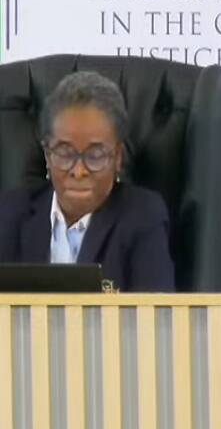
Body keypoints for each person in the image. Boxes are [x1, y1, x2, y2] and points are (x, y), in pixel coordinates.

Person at [0, 71, 175, 292]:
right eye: (65, 153)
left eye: (95, 155)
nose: (79, 171)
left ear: (118, 157)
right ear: (47, 155)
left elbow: (155, 309)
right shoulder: (10, 212)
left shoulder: (142, 216)